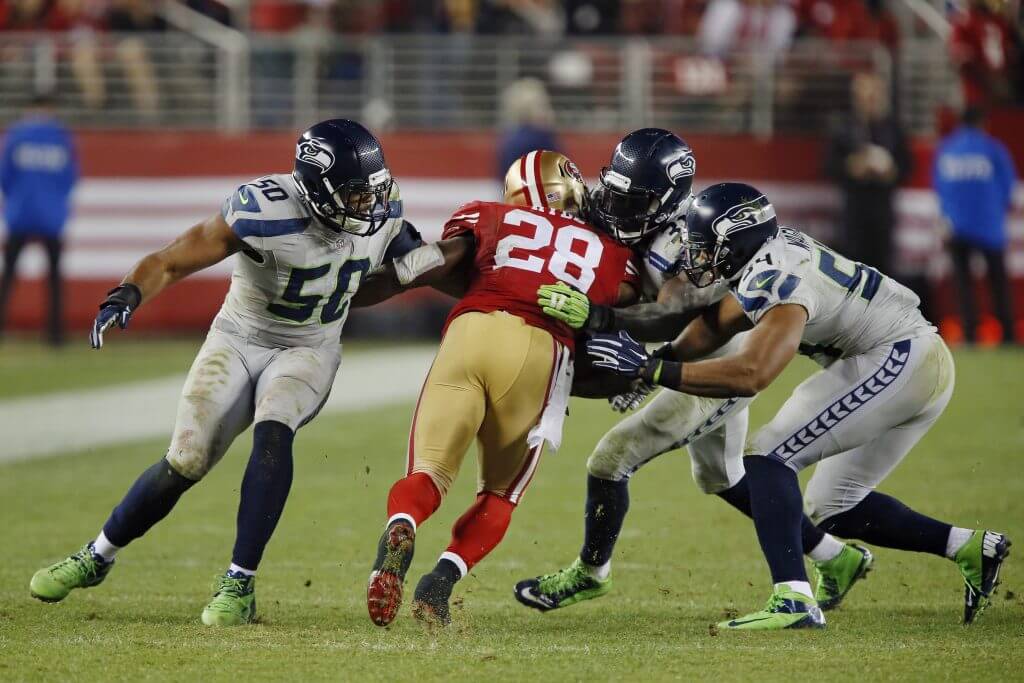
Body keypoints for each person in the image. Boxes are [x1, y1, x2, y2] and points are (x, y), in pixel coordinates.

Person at [28, 119, 425, 627]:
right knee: (185, 460)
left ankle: (239, 583)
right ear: (318, 188)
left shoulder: (384, 212)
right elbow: (173, 261)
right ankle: (98, 554)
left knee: (274, 430)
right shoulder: (264, 209)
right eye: (355, 194)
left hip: (309, 347)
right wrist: (127, 293)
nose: (370, 204)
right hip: (240, 336)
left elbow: (409, 261)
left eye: (373, 191)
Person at [589, 182, 1011, 630]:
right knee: (833, 507)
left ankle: (793, 599)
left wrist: (657, 373)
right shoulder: (766, 257)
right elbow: (716, 326)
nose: (697, 258)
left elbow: (753, 374)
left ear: (735, 239)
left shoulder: (779, 275)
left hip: (901, 357)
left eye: (705, 247)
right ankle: (967, 546)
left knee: (769, 454)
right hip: (911, 359)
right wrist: (660, 360)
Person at [513, 131, 868, 614]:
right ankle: (835, 555)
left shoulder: (688, 234)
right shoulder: (615, 205)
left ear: (669, 201)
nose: (616, 207)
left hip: (717, 353)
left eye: (632, 200)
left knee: (609, 459)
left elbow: (671, 314)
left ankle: (591, 573)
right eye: (613, 192)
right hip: (680, 345)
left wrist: (631, 349)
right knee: (720, 476)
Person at [355, 149, 641, 627]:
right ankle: (440, 581)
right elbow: (632, 307)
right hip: (540, 348)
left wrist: (395, 269)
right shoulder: (607, 249)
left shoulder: (488, 215)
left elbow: (442, 263)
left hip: (470, 331)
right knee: (499, 495)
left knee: (427, 472)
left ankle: (401, 525)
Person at [933, 107, 1017, 345]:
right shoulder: (992, 149)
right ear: (983, 123)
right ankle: (1008, 334)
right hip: (989, 226)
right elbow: (1008, 186)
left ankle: (970, 335)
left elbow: (939, 187)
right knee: (997, 282)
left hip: (957, 226)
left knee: (963, 284)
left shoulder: (947, 149)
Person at [0, 94, 78, 345]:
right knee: (53, 278)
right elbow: (69, 178)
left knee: (10, 275)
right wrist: (56, 205)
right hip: (50, 217)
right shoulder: (59, 138)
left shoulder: (18, 136)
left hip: (21, 214)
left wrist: (15, 201)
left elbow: (5, 176)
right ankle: (55, 335)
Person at [824, 71, 911, 277]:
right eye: (866, 94)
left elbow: (906, 165)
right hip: (855, 209)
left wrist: (892, 172)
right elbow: (828, 165)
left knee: (883, 266)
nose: (871, 99)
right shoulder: (843, 128)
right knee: (853, 266)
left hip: (883, 208)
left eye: (875, 94)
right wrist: (850, 167)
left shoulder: (892, 128)